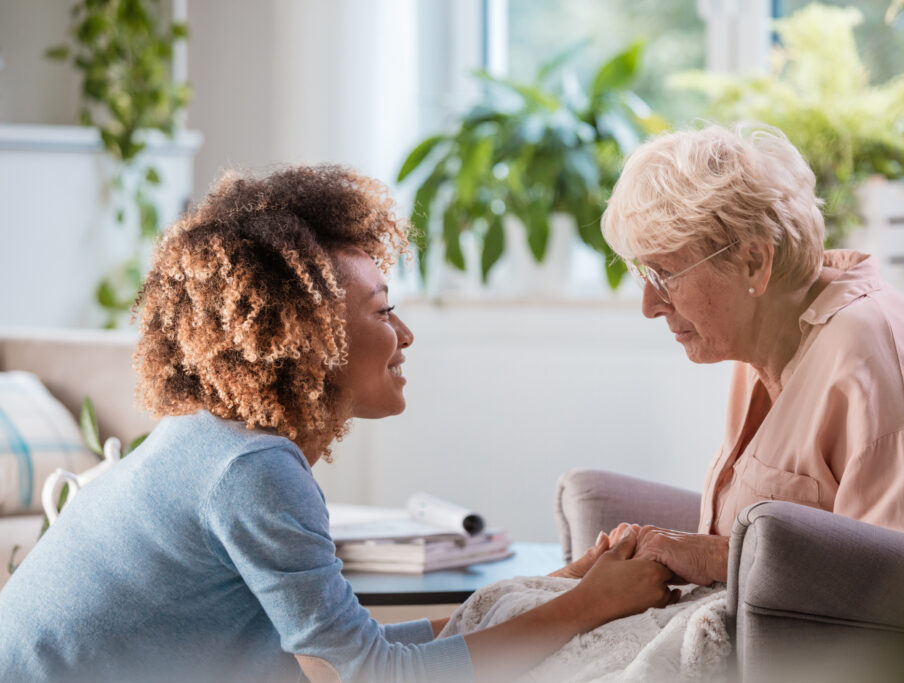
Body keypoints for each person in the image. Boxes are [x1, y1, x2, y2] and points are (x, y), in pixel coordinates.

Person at [0, 165, 677, 683]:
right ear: (307, 338)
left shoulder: (217, 442)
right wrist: (586, 610)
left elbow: (348, 649)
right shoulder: (252, 469)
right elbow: (366, 675)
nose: (405, 333)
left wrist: (550, 592)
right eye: (382, 312)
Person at [561, 123, 904, 586]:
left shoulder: (875, 363)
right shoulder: (765, 341)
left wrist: (713, 559)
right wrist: (672, 552)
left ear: (754, 263)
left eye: (665, 274)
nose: (650, 305)